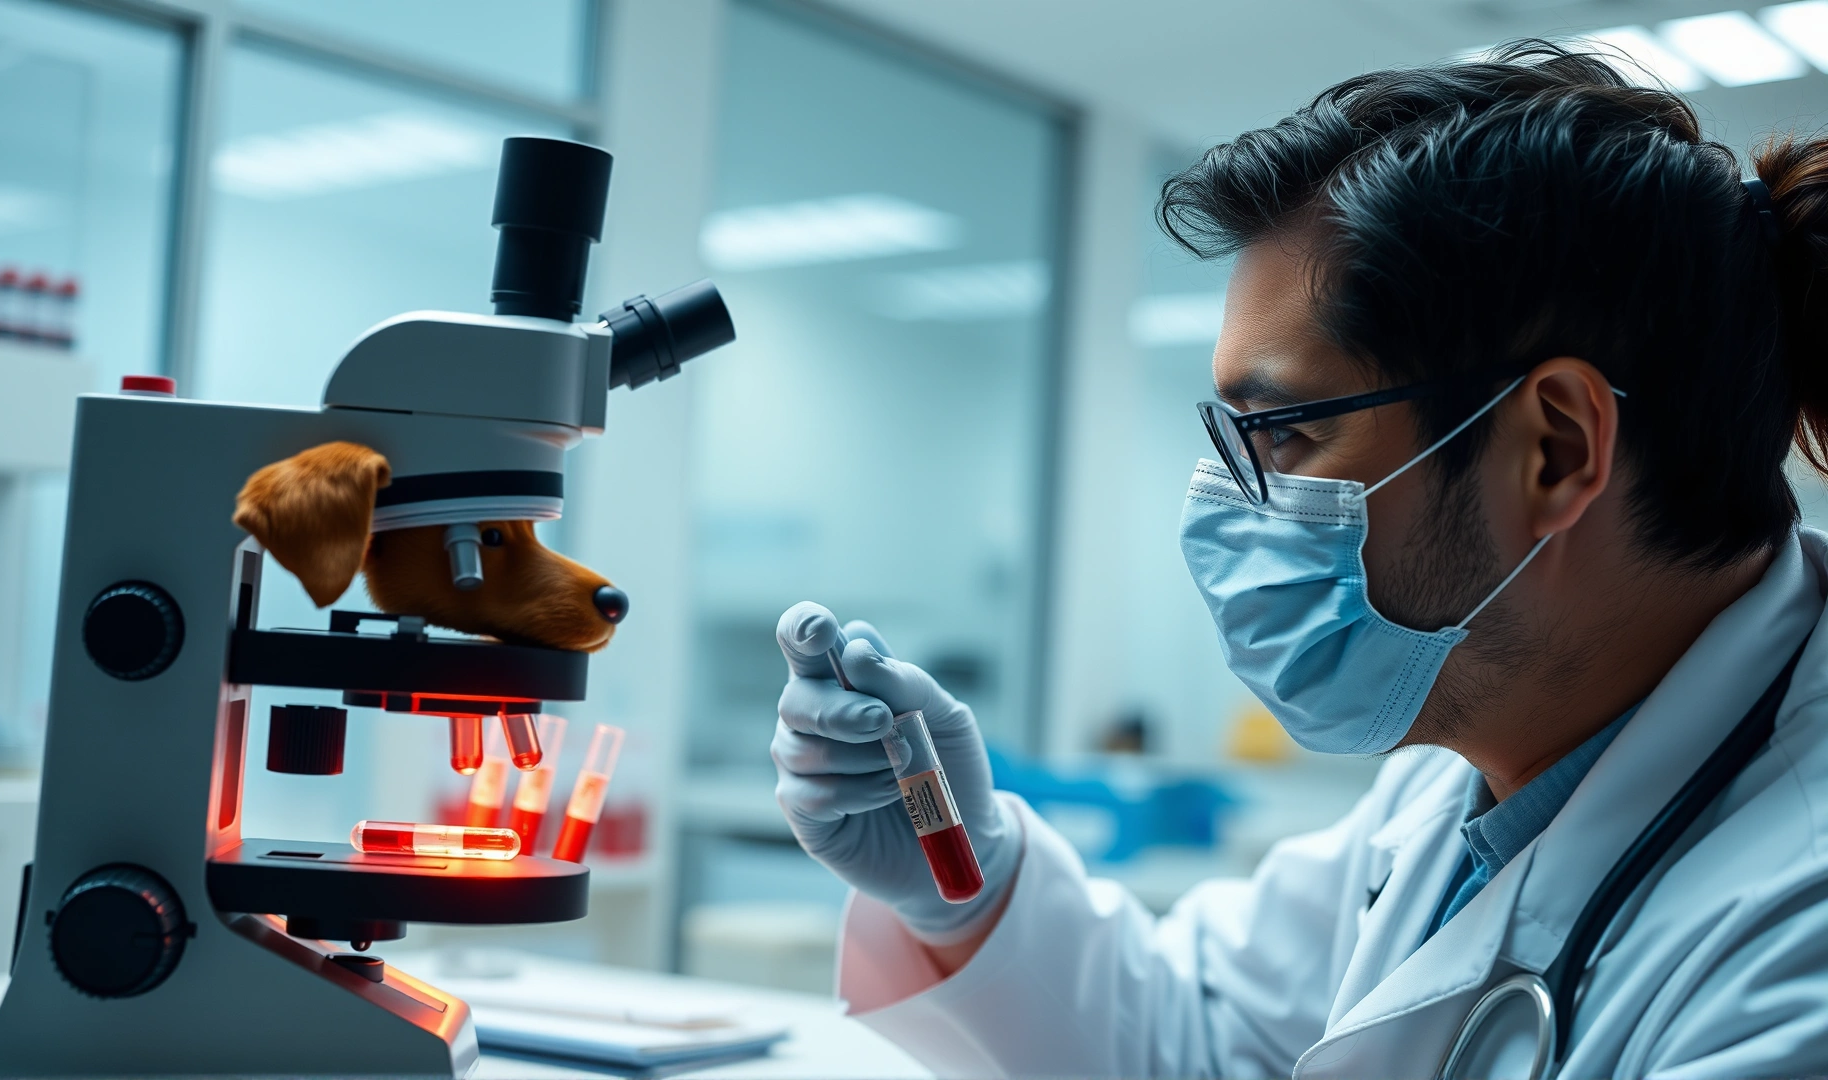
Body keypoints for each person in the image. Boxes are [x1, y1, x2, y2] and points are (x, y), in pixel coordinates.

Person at [771, 42, 1828, 1078]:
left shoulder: (1796, 946)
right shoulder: (1466, 779)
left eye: (1285, 433)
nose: (1234, 508)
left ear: (1553, 449)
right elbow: (1196, 1040)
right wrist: (968, 879)